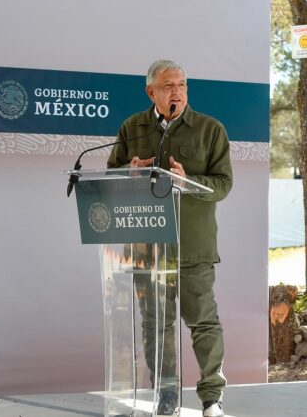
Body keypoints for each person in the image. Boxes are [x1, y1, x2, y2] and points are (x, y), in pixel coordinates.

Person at [107, 59, 232, 417]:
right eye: (168, 86)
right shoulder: (133, 128)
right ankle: (165, 395)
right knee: (155, 323)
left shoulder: (210, 129)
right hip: (147, 246)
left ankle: (211, 397)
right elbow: (111, 175)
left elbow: (223, 184)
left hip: (193, 247)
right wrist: (129, 173)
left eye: (181, 84)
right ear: (151, 92)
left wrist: (187, 181)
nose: (176, 91)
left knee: (203, 321)